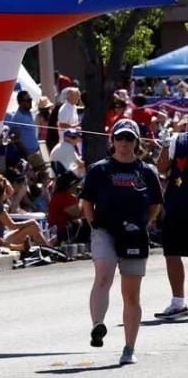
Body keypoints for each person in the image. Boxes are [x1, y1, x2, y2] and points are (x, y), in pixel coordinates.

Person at [80, 118, 162, 365]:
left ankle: (129, 348)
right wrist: (94, 224)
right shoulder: (99, 169)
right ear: (112, 141)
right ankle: (98, 325)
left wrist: (144, 225)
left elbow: (155, 205)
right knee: (103, 274)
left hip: (135, 234)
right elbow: (86, 202)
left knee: (131, 295)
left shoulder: (147, 171)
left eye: (129, 138)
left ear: (137, 142)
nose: (124, 143)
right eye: (120, 138)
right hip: (105, 230)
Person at [154, 127, 188, 319]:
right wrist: (166, 146)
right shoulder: (178, 140)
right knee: (172, 253)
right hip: (177, 206)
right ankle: (178, 302)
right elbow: (160, 168)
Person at [0, 174, 50, 250]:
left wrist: (3, 181)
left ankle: (47, 247)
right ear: (1, 191)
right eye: (5, 189)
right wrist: (30, 221)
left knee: (34, 227)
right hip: (1, 241)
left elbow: (11, 192)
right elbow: (12, 226)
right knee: (34, 227)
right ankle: (48, 249)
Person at [5, 91, 46, 175]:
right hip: (27, 155)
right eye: (28, 100)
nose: (30, 102)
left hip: (35, 152)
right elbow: (16, 139)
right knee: (40, 173)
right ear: (20, 102)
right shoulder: (17, 117)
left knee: (42, 175)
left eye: (30, 100)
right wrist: (28, 155)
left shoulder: (30, 113)